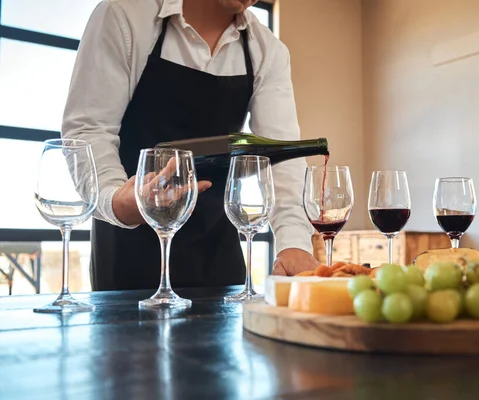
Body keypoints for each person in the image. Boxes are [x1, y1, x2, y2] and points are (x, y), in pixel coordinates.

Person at [62, 0, 319, 291]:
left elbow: (282, 157)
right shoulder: (124, 16)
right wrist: (116, 199)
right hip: (130, 250)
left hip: (218, 251)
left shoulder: (267, 50)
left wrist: (294, 244)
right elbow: (89, 129)